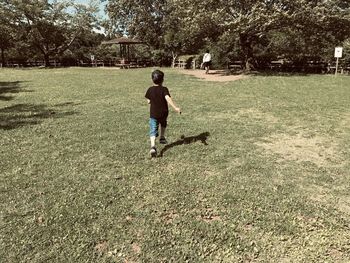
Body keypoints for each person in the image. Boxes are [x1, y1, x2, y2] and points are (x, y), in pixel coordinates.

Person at [145, 70, 181, 157]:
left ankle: (153, 146)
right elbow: (168, 98)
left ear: (152, 79)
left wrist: (150, 101)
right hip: (164, 113)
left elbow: (148, 100)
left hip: (153, 113)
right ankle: (162, 137)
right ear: (163, 80)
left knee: (153, 129)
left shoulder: (150, 89)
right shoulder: (164, 89)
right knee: (163, 123)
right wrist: (175, 107)